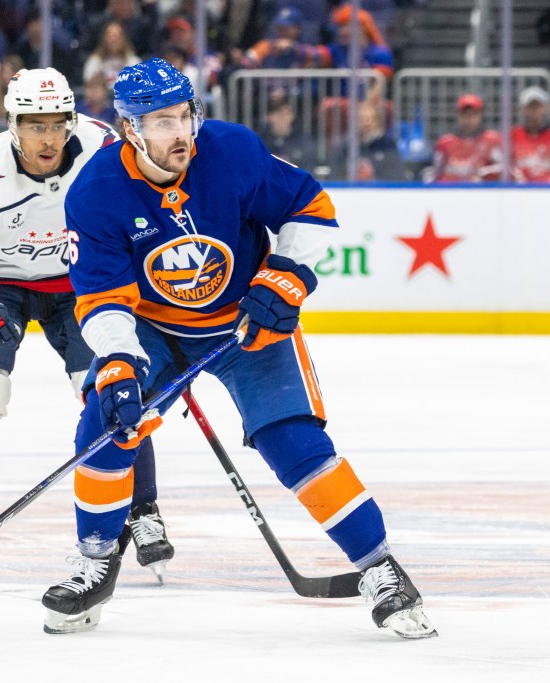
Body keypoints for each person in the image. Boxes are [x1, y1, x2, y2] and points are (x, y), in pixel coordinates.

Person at [41, 57, 438, 640]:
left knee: (294, 442)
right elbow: (101, 300)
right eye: (161, 121)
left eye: (185, 115)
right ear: (131, 129)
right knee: (105, 423)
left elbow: (312, 209)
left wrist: (284, 279)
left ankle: (380, 567)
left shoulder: (231, 151)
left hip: (243, 324)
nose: (181, 133)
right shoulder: (96, 191)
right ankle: (97, 558)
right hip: (153, 328)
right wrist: (121, 365)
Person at [0, 67, 175, 579]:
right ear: (11, 125)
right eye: (32, 125)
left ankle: (143, 509)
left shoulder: (104, 149)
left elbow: (151, 211)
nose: (46, 138)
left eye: (56, 124)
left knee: (113, 387)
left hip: (78, 282)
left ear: (72, 120)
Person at [428, 93, 503, 183]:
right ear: (459, 115)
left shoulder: (492, 139)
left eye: (474, 114)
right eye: (465, 114)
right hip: (450, 191)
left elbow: (502, 167)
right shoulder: (445, 142)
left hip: (480, 191)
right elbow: (437, 172)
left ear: (480, 115)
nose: (469, 118)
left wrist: (483, 174)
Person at [510, 86, 550, 184]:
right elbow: (508, 166)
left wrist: (546, 188)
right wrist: (523, 185)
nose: (534, 111)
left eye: (538, 106)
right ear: (523, 109)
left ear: (545, 108)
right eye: (530, 107)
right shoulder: (514, 135)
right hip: (520, 192)